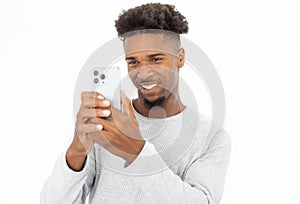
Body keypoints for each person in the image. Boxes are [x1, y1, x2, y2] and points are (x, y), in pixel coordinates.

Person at [40, 3, 231, 204]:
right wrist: (76, 151)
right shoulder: (108, 121)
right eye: (133, 62)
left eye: (156, 59)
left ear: (180, 58)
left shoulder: (212, 137)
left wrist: (138, 153)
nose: (143, 73)